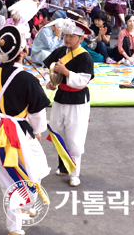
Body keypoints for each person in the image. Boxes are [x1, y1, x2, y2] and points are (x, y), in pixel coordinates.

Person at [0, 25, 51, 235]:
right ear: (21, 53)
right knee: (31, 169)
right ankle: (20, 216)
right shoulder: (28, 79)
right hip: (20, 131)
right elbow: (37, 112)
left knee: (10, 176)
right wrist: (37, 130)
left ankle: (23, 211)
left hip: (0, 130)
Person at [43, 18, 94, 187]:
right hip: (60, 97)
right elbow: (48, 71)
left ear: (80, 39)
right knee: (57, 131)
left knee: (75, 136)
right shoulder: (59, 52)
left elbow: (82, 81)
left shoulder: (85, 58)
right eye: (66, 35)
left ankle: (75, 173)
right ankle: (63, 166)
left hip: (77, 101)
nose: (67, 38)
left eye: (72, 36)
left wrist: (66, 72)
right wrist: (49, 82)